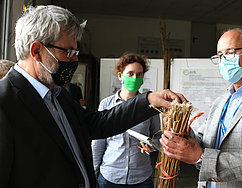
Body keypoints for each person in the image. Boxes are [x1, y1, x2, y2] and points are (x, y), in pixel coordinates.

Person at [0, 5, 186, 188]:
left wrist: (148, 100)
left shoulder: (57, 95)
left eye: (76, 52)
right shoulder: (5, 103)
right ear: (37, 51)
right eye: (68, 52)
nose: (74, 59)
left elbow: (98, 123)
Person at [160, 28, 242, 188]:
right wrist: (180, 131)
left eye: (229, 53)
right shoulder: (221, 100)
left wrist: (201, 158)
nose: (223, 60)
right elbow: (203, 140)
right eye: (219, 55)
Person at [92, 53, 161, 188]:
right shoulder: (106, 104)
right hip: (110, 176)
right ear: (120, 76)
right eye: (130, 74)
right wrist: (93, 174)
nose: (135, 78)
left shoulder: (150, 105)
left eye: (139, 74)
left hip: (141, 177)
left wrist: (153, 145)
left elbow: (157, 135)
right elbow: (97, 144)